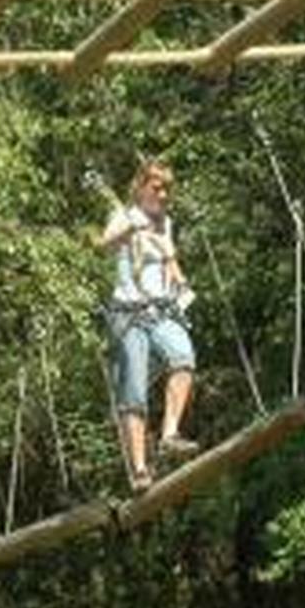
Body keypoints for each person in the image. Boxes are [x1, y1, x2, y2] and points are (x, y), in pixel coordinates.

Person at [92, 160, 198, 494]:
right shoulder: (124, 215)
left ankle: (169, 435)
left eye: (166, 189)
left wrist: (179, 278)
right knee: (133, 391)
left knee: (183, 359)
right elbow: (103, 245)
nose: (163, 195)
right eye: (157, 188)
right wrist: (131, 228)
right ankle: (138, 470)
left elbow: (171, 262)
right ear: (141, 188)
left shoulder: (166, 222)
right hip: (128, 312)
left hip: (162, 307)